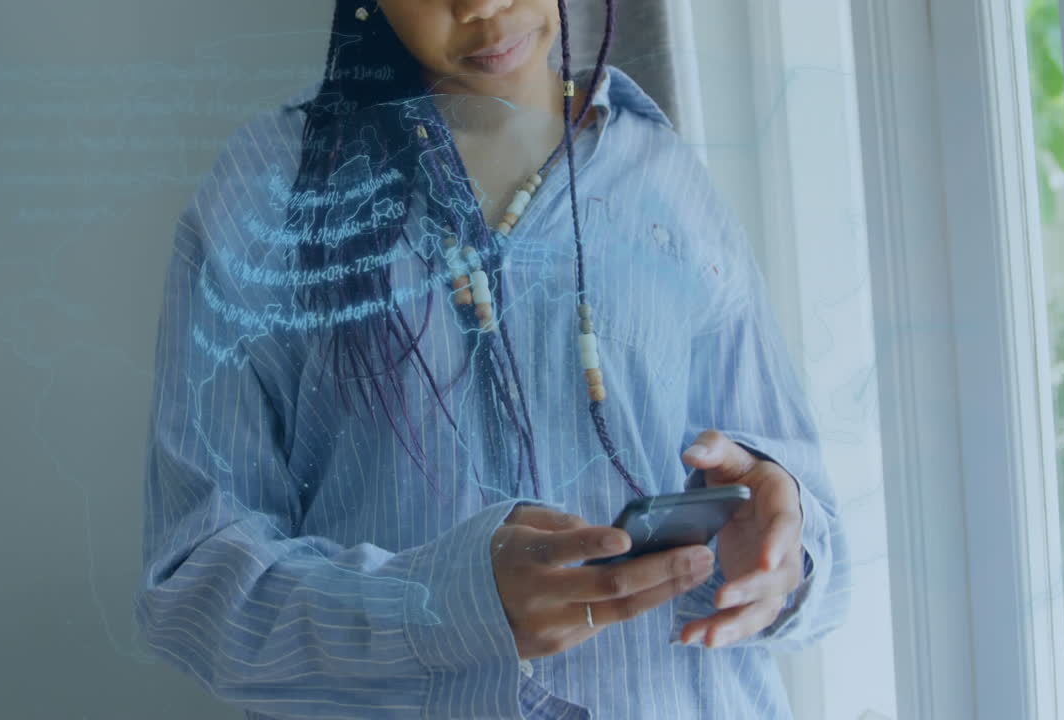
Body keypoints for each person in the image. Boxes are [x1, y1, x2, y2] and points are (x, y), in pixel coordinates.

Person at [133, 1, 851, 718]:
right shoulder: (263, 194)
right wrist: (443, 608)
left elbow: (821, 555)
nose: (480, 5)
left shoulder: (668, 180)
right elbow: (193, 588)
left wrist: (779, 557)